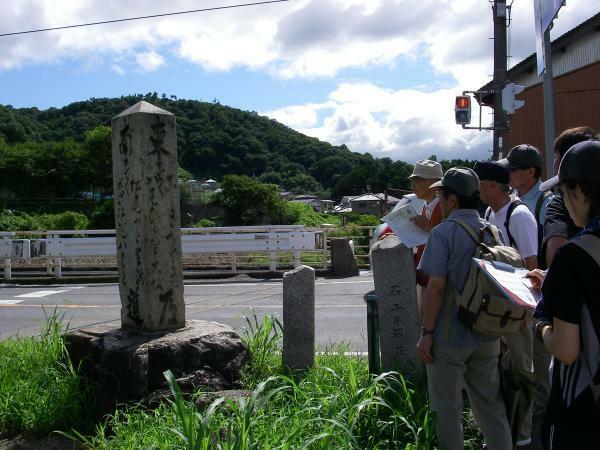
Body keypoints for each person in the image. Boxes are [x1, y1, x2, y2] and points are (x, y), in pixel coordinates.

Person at [417, 167, 512, 450]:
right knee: (490, 405)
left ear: (453, 200)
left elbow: (434, 288)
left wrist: (427, 333)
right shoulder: (493, 231)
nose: (440, 202)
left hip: (450, 336)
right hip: (487, 333)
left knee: (448, 410)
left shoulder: (443, 233)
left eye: (442, 195)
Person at [530, 140, 600, 449]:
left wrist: (542, 325)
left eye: (564, 192)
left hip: (585, 410)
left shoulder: (574, 257)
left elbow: (567, 349)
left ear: (581, 192)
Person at [474, 159, 539, 447]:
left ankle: (525, 434)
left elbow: (532, 264)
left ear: (490, 184)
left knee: (524, 370)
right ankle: (507, 431)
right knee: (503, 370)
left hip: (520, 308)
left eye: (479, 182)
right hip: (498, 307)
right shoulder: (490, 211)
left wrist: (523, 311)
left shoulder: (519, 214)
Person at [542, 127, 598, 267]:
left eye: (563, 190)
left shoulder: (572, 255)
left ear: (579, 191)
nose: (554, 162)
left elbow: (556, 260)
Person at [500, 144, 553, 269]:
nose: (507, 173)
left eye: (512, 169)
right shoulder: (511, 195)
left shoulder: (548, 204)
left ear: (531, 172)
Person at [408, 159, 443, 320]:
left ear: (430, 182)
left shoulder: (443, 207)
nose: (412, 186)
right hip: (425, 278)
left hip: (436, 282)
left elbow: (447, 241)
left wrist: (429, 227)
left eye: (416, 181)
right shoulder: (426, 206)